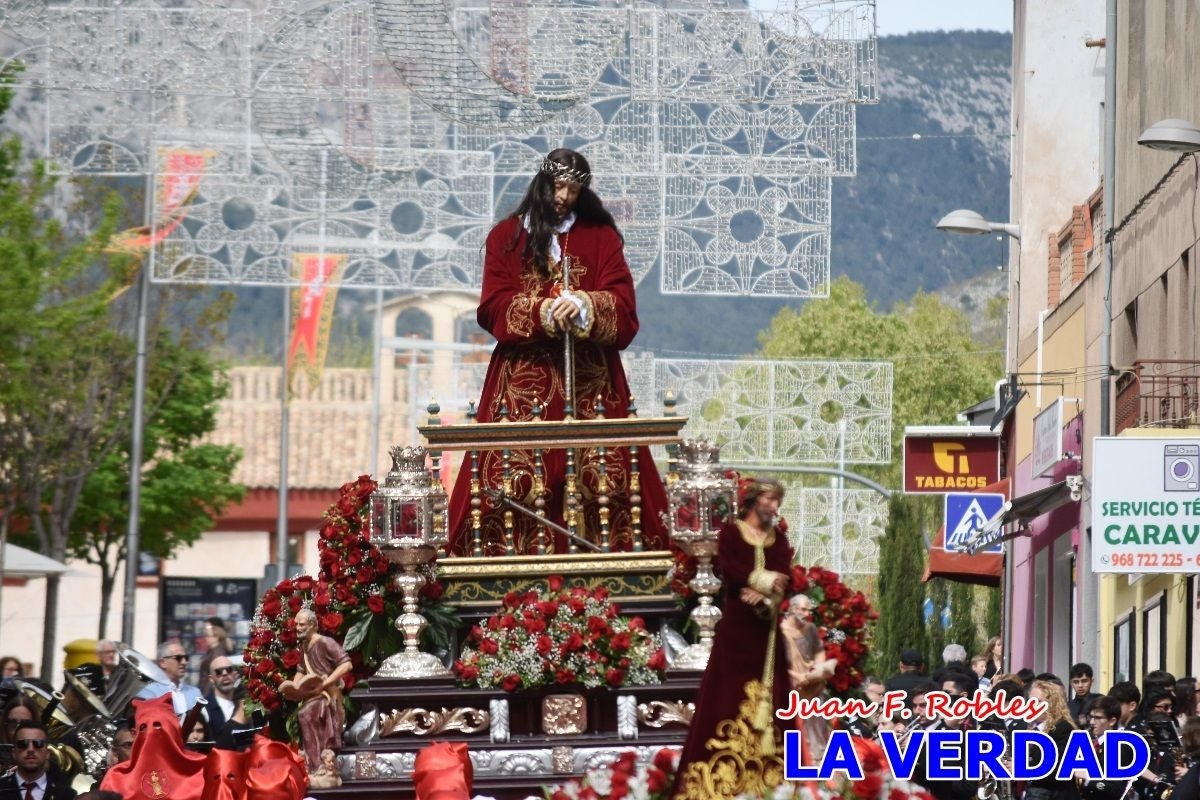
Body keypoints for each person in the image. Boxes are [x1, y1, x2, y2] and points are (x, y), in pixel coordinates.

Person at [445, 148, 669, 556]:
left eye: (573, 189)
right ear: (542, 183)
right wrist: (542, 311)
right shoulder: (506, 237)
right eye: (558, 186)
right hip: (522, 383)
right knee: (510, 477)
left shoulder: (600, 237)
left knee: (603, 476)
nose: (564, 196)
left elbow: (624, 309)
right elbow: (492, 306)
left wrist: (585, 305)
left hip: (590, 384)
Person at [672, 479, 792, 800]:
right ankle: (720, 779)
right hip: (738, 630)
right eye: (769, 499)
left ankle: (774, 779)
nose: (774, 507)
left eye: (777, 501)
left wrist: (765, 592)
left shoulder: (778, 538)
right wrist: (760, 581)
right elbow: (730, 568)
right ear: (754, 500)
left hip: (766, 630)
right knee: (727, 693)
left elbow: (785, 575)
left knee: (775, 694)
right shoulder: (731, 533)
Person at [280, 609, 352, 772]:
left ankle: (318, 764)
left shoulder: (325, 642)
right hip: (313, 694)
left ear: (312, 625)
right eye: (297, 624)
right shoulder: (305, 646)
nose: (298, 628)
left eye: (302, 625)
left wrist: (326, 682)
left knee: (305, 713)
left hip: (328, 695)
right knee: (305, 713)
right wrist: (294, 687)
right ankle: (314, 764)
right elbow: (301, 670)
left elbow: (347, 664)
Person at [779, 592, 836, 762]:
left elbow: (818, 651)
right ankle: (798, 757)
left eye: (808, 610)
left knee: (818, 719)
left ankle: (819, 755)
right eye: (803, 610)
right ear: (792, 609)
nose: (807, 614)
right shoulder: (781, 632)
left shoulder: (810, 629)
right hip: (790, 684)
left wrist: (818, 668)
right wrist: (797, 676)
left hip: (812, 684)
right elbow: (777, 663)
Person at [1025, 679, 1079, 800]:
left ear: (1051, 705)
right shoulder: (1028, 728)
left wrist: (1022, 767)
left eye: (1038, 702)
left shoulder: (1063, 728)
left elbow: (1058, 770)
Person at [0, 720, 77, 800]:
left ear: (48, 753)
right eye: (23, 744)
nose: (30, 749)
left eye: (38, 743)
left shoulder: (67, 796)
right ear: (14, 753)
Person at [135, 642, 202, 717]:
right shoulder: (148, 692)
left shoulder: (195, 692)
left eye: (186, 658)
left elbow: (204, 720)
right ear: (162, 663)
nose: (184, 662)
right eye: (178, 658)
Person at [203, 656, 241, 737]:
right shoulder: (204, 708)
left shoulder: (243, 704)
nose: (225, 674)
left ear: (235, 674)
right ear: (211, 679)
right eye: (218, 672)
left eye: (229, 669)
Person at [197, 619, 234, 696]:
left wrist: (206, 695)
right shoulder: (212, 651)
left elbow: (215, 677)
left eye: (208, 636)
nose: (205, 638)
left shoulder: (217, 654)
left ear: (216, 637)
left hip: (209, 693)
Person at [1068, 663, 1104, 727]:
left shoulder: (1101, 701)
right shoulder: (1067, 707)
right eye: (1076, 682)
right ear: (1071, 683)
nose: (1080, 685)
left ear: (1091, 681)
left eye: (1084, 681)